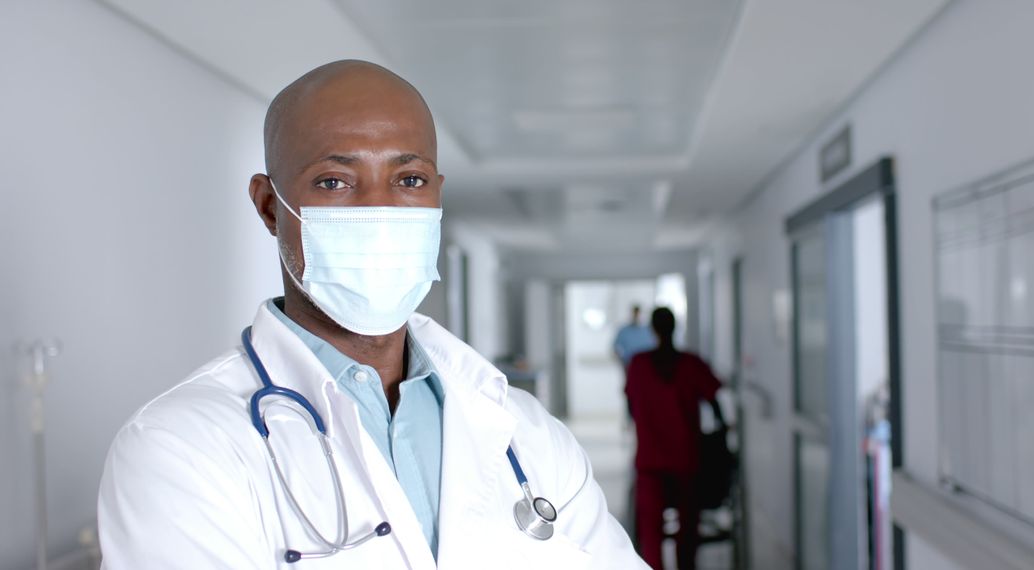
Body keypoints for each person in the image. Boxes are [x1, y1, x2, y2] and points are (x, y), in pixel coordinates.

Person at [97, 60, 645, 569]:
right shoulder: (180, 449)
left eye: (409, 181)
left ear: (436, 197)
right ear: (269, 207)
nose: (379, 213)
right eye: (335, 182)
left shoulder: (528, 434)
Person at [625, 308, 723, 570]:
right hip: (686, 459)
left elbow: (632, 405)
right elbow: (715, 402)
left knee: (651, 533)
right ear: (674, 327)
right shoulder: (691, 364)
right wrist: (721, 434)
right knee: (687, 529)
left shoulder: (639, 364)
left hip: (650, 461)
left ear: (653, 330)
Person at [613, 305, 656, 369]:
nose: (636, 316)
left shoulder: (648, 330)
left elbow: (654, 345)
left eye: (638, 314)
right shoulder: (624, 331)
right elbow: (616, 347)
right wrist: (622, 361)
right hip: (629, 364)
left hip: (646, 365)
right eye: (634, 314)